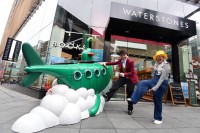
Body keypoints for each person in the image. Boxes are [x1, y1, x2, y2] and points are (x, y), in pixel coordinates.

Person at [127, 50, 170, 124]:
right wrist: (153, 70)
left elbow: (162, 78)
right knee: (142, 83)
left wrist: (155, 88)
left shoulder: (167, 66)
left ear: (163, 57)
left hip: (161, 84)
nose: (159, 58)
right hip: (154, 80)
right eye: (157, 57)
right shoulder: (157, 63)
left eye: (160, 56)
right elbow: (154, 75)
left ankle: (158, 118)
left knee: (157, 101)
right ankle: (133, 99)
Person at [102, 50, 138, 115]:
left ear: (126, 55)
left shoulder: (130, 62)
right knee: (116, 85)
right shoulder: (120, 60)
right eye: (122, 55)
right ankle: (107, 96)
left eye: (125, 55)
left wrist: (124, 74)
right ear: (121, 56)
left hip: (131, 78)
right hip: (123, 77)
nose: (123, 56)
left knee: (129, 93)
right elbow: (113, 63)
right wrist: (105, 63)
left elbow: (132, 72)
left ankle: (130, 109)